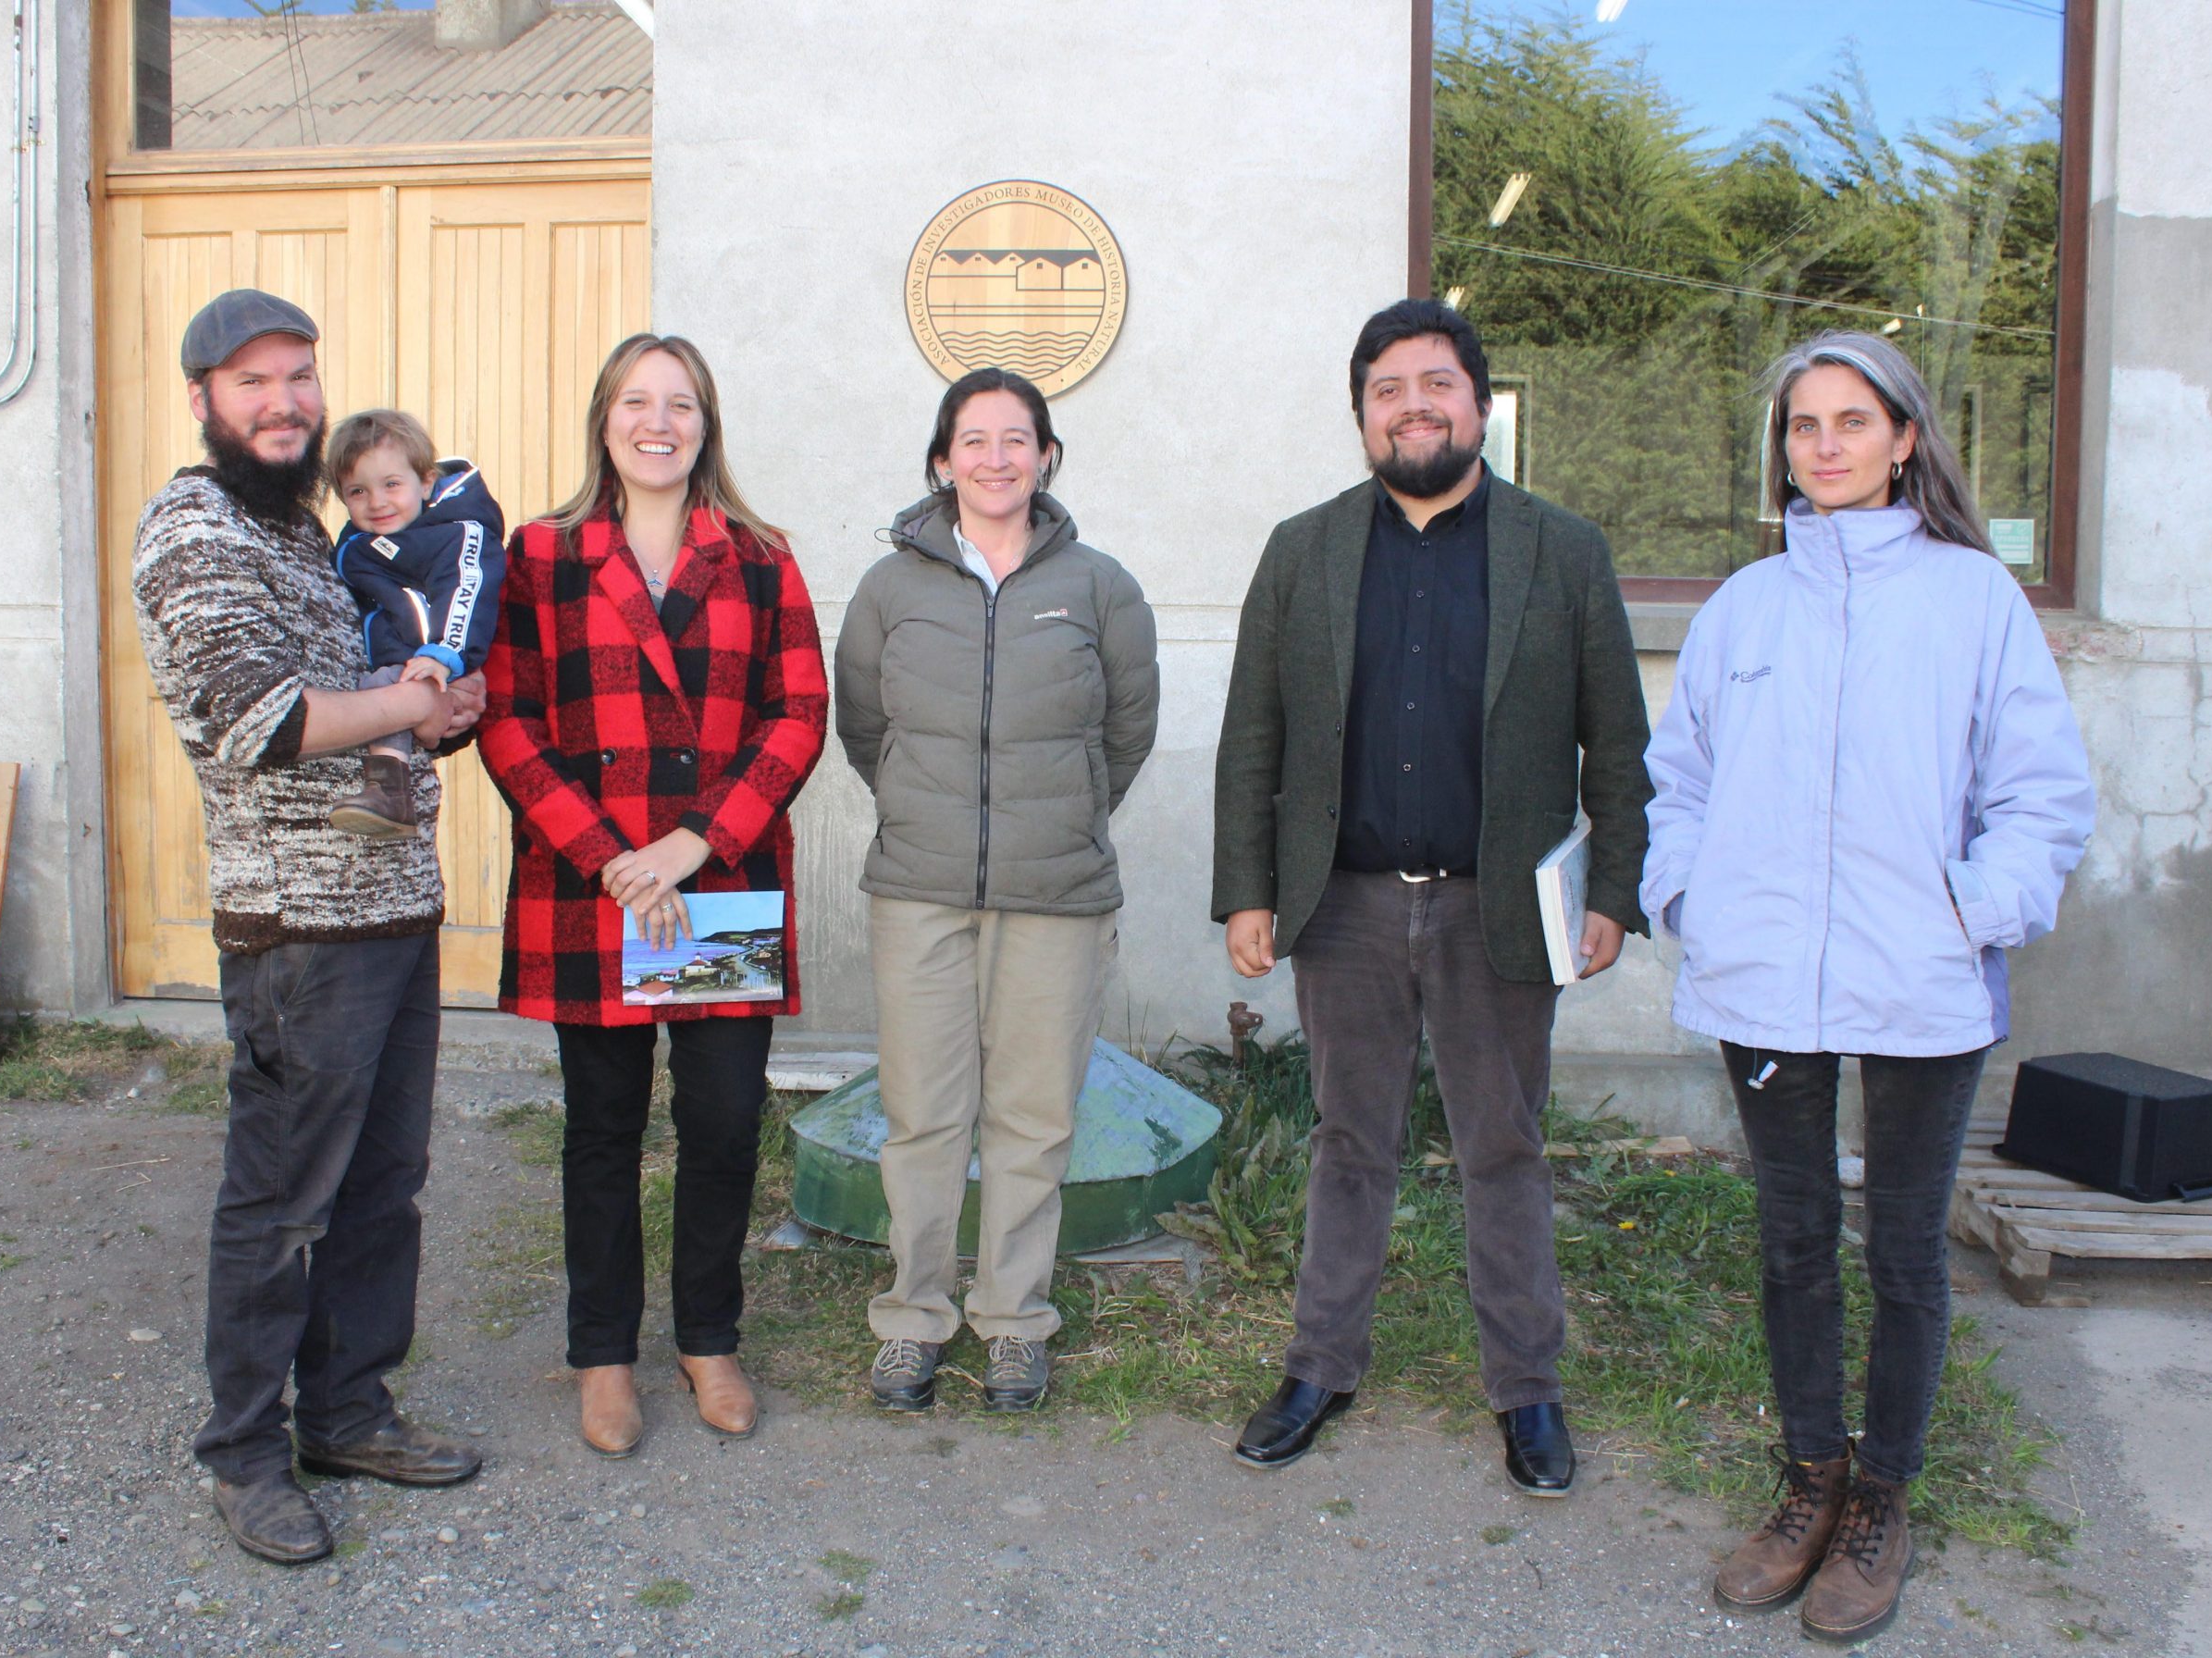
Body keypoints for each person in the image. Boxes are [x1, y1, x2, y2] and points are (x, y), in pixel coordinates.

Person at [1643, 331, 2093, 1642]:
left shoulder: (1972, 601)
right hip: (1765, 980)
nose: (1824, 445)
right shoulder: (1746, 607)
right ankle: (1808, 1484)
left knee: (1902, 1252)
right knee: (1792, 1242)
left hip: (1924, 982)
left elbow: (2042, 792)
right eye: (1803, 426)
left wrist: (1973, 910)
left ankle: (1883, 1499)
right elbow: (1686, 784)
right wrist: (1689, 899)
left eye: (1852, 421)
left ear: (1906, 438)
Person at [1211, 298, 1651, 1492]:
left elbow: (1617, 740)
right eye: (1388, 388)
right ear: (1362, 415)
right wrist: (1247, 892)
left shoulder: (1561, 552)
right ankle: (1319, 1365)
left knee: (1502, 1146)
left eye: (1436, 383)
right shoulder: (1302, 551)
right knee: (1350, 1141)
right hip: (1344, 904)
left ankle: (1528, 1390)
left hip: (1496, 910)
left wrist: (1617, 884)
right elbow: (1254, 734)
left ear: (1478, 401)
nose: (1414, 405)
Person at [130, 289, 488, 1566]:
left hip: (393, 909)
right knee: (283, 1200)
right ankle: (243, 1453)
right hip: (297, 931)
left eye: (298, 377)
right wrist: (399, 695)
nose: (283, 402)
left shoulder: (307, 534)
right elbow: (258, 716)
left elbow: (375, 698)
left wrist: (441, 703)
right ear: (204, 401)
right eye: (252, 382)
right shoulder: (196, 528)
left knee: (383, 1188)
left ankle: (346, 1413)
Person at [478, 332, 826, 1458]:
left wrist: (692, 842)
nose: (658, 422)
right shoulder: (539, 553)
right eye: (637, 401)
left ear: (706, 424)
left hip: (709, 883)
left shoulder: (761, 556)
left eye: (680, 404)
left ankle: (709, 1337)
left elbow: (798, 715)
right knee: (604, 1131)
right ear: (605, 419)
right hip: (599, 891)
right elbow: (507, 718)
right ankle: (602, 1356)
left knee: (723, 1122)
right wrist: (607, 852)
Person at [834, 367, 1159, 1413]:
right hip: (919, 888)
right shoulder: (890, 588)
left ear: (1047, 457)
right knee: (923, 1113)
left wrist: (1055, 815)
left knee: (1031, 1116)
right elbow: (863, 726)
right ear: (941, 461)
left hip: (1055, 890)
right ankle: (914, 1314)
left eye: (1016, 438)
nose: (994, 457)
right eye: (972, 440)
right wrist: (926, 811)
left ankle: (1014, 1318)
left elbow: (1125, 732)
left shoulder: (1100, 586)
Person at [322, 409, 507, 838]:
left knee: (383, 690)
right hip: (401, 664)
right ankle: (391, 798)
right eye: (358, 491)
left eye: (391, 484)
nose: (377, 502)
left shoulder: (455, 532)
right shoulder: (356, 544)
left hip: (431, 661)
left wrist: (445, 653)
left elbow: (468, 589)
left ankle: (389, 795)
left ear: (425, 481)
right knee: (380, 690)